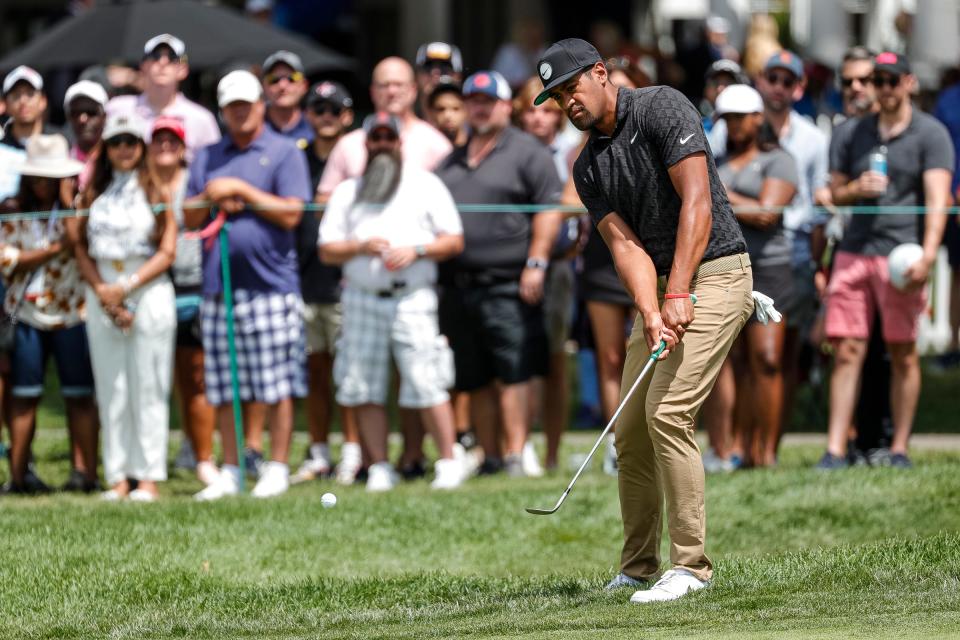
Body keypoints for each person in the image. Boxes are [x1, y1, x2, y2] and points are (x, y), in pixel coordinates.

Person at [538, 37, 751, 602]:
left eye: (570, 88)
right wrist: (653, 310)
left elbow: (697, 203)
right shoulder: (586, 165)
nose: (567, 103)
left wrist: (679, 289)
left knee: (668, 411)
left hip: (719, 272)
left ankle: (691, 568)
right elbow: (625, 247)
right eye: (557, 98)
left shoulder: (661, 107)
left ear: (602, 73)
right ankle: (637, 567)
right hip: (663, 285)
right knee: (629, 429)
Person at [316, 56, 452, 477]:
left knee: (425, 381)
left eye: (386, 140)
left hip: (412, 295)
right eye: (373, 140)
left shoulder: (425, 183)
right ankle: (379, 466)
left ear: (398, 143)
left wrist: (417, 250)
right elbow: (326, 248)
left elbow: (453, 239)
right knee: (363, 385)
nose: (380, 146)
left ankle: (446, 462)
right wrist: (359, 246)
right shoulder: (348, 191)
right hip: (361, 298)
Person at [820, 52, 953, 469]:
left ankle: (899, 448)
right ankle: (836, 449)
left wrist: (929, 256)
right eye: (878, 80)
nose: (884, 88)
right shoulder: (850, 134)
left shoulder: (931, 134)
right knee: (846, 350)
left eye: (892, 80)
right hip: (854, 252)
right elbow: (832, 194)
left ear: (909, 82)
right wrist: (856, 189)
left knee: (903, 351)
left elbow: (937, 201)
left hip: (901, 255)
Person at [186, 70, 311, 500]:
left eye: (247, 104)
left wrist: (239, 189)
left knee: (276, 385)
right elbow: (187, 217)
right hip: (218, 287)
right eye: (232, 106)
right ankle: (232, 469)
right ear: (222, 111)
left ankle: (276, 466)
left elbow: (293, 213)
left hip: (271, 286)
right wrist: (210, 196)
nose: (240, 112)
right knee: (224, 387)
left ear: (261, 105)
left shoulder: (282, 152)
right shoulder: (206, 155)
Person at [436, 70, 563, 477]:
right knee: (474, 377)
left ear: (506, 106)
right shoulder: (451, 159)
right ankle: (490, 457)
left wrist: (537, 262)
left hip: (510, 281)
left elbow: (549, 209)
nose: (479, 107)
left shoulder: (527, 152)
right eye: (473, 100)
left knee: (514, 373)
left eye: (487, 101)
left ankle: (514, 453)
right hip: (458, 284)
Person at [73, 113, 178, 502]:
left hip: (147, 288)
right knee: (111, 386)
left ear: (141, 146)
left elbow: (168, 250)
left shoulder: (157, 190)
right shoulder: (91, 193)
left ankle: (147, 475)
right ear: (106, 148)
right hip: (101, 289)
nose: (123, 150)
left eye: (131, 142)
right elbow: (79, 247)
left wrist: (127, 287)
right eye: (116, 142)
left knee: (149, 384)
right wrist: (103, 290)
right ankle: (117, 475)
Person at [705, 85, 798, 469]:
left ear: (758, 117)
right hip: (726, 266)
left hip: (771, 267)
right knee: (738, 362)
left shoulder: (780, 159)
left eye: (740, 117)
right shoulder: (718, 160)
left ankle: (768, 451)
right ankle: (741, 450)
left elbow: (767, 213)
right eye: (727, 118)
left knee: (768, 358)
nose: (734, 126)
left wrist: (717, 194)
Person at [0, 135, 98, 493]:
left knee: (79, 396)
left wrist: (68, 201)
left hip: (72, 313)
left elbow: (80, 243)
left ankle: (86, 474)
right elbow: (7, 261)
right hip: (26, 315)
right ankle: (19, 475)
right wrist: (55, 249)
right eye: (38, 177)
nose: (43, 183)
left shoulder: (76, 209)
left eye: (51, 177)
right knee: (25, 396)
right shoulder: (12, 208)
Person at [753, 51, 831, 438]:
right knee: (745, 356)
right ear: (760, 81)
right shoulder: (735, 127)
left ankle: (771, 445)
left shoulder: (814, 138)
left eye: (788, 81)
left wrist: (816, 266)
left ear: (798, 88)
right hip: (746, 248)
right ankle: (740, 445)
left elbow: (819, 207)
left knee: (783, 355)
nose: (779, 87)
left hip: (795, 250)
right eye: (773, 78)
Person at [292, 80, 360, 484]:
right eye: (318, 109)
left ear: (347, 116)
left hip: (343, 281)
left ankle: (351, 452)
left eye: (334, 110)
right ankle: (318, 452)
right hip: (303, 279)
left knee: (347, 374)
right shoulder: (296, 158)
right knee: (314, 373)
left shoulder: (357, 158)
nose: (326, 117)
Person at [146, 115, 219, 487]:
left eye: (171, 140)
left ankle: (200, 454)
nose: (164, 147)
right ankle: (152, 458)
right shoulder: (139, 185)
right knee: (156, 378)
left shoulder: (195, 181)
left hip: (192, 289)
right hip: (150, 287)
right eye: (157, 139)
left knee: (194, 376)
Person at [514, 76, 580, 471]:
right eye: (531, 111)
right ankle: (520, 447)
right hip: (513, 267)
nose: (539, 119)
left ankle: (553, 453)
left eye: (547, 111)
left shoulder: (571, 154)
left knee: (555, 362)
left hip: (557, 267)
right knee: (520, 362)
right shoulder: (510, 153)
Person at [317, 56, 452, 200]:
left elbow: (451, 201)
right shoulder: (348, 144)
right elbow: (322, 200)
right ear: (372, 92)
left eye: (399, 84)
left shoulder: (436, 143)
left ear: (413, 89)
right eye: (384, 85)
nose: (391, 92)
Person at [106, 33, 220, 159]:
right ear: (143, 65)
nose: (163, 62)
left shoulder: (202, 119)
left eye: (172, 58)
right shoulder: (116, 108)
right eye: (155, 56)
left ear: (183, 69)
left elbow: (212, 168)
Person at [933, 65, 960, 370]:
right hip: (955, 205)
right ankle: (954, 342)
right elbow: (941, 152)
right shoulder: (949, 99)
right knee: (957, 274)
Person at [1, 66, 57, 201]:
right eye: (16, 95)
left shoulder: (59, 142)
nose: (23, 101)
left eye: (30, 94)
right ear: (5, 104)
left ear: (43, 101)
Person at [261, 50, 313, 150]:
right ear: (264, 86)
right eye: (274, 80)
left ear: (304, 85)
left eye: (291, 79)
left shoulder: (315, 126)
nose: (282, 86)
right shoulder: (253, 126)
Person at [63, 80, 108, 167]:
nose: (82, 119)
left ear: (104, 117)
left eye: (91, 112)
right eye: (75, 113)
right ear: (68, 117)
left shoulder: (118, 161)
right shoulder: (60, 163)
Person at [415, 42, 463, 118]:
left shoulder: (471, 127)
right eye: (428, 66)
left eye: (444, 67)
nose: (435, 73)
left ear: (458, 76)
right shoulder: (401, 126)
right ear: (417, 76)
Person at [426, 78, 468, 148]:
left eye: (455, 109)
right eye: (441, 109)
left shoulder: (477, 149)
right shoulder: (424, 147)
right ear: (431, 112)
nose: (448, 115)